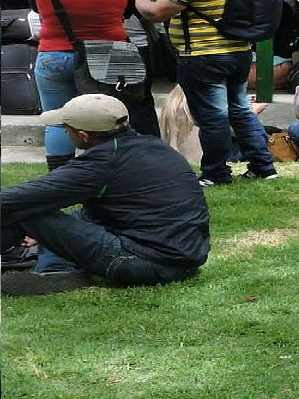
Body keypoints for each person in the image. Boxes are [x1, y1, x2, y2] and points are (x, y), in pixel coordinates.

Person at [0, 94, 210, 296]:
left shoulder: (101, 163)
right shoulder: (153, 145)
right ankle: (55, 267)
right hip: (184, 259)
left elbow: (19, 198)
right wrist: (49, 234)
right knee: (64, 218)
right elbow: (101, 214)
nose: (65, 133)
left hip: (142, 261)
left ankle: (39, 263)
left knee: (28, 211)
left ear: (83, 136)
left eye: (67, 129)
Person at [132, 0, 278, 186]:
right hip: (239, 53)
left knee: (213, 117)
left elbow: (155, 13)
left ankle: (215, 173)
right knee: (241, 111)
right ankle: (263, 166)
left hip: (202, 56)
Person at [27, 0, 136, 171]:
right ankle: (107, 170)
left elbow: (36, 9)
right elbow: (126, 14)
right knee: (106, 119)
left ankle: (59, 175)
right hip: (109, 55)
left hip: (55, 55)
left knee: (57, 120)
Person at [100, 0, 183, 138]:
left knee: (136, 102)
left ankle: (149, 151)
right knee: (106, 101)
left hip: (134, 43)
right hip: (104, 39)